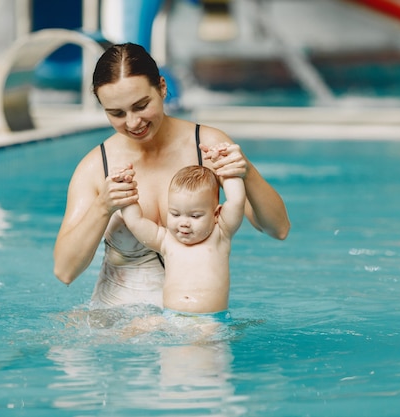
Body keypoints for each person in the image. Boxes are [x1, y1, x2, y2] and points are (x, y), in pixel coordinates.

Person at [53, 42, 290, 308]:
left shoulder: (208, 145)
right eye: (116, 113)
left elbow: (278, 229)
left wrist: (246, 171)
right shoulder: (96, 167)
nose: (132, 123)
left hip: (192, 322)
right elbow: (65, 271)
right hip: (116, 327)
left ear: (162, 88)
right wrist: (102, 206)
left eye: (141, 106)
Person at [115, 154, 245, 319]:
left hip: (209, 320)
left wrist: (228, 170)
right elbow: (136, 222)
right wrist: (124, 188)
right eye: (175, 214)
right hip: (170, 316)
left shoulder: (220, 235)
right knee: (139, 326)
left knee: (204, 341)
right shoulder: (165, 240)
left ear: (216, 214)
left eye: (195, 216)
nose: (184, 223)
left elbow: (236, 202)